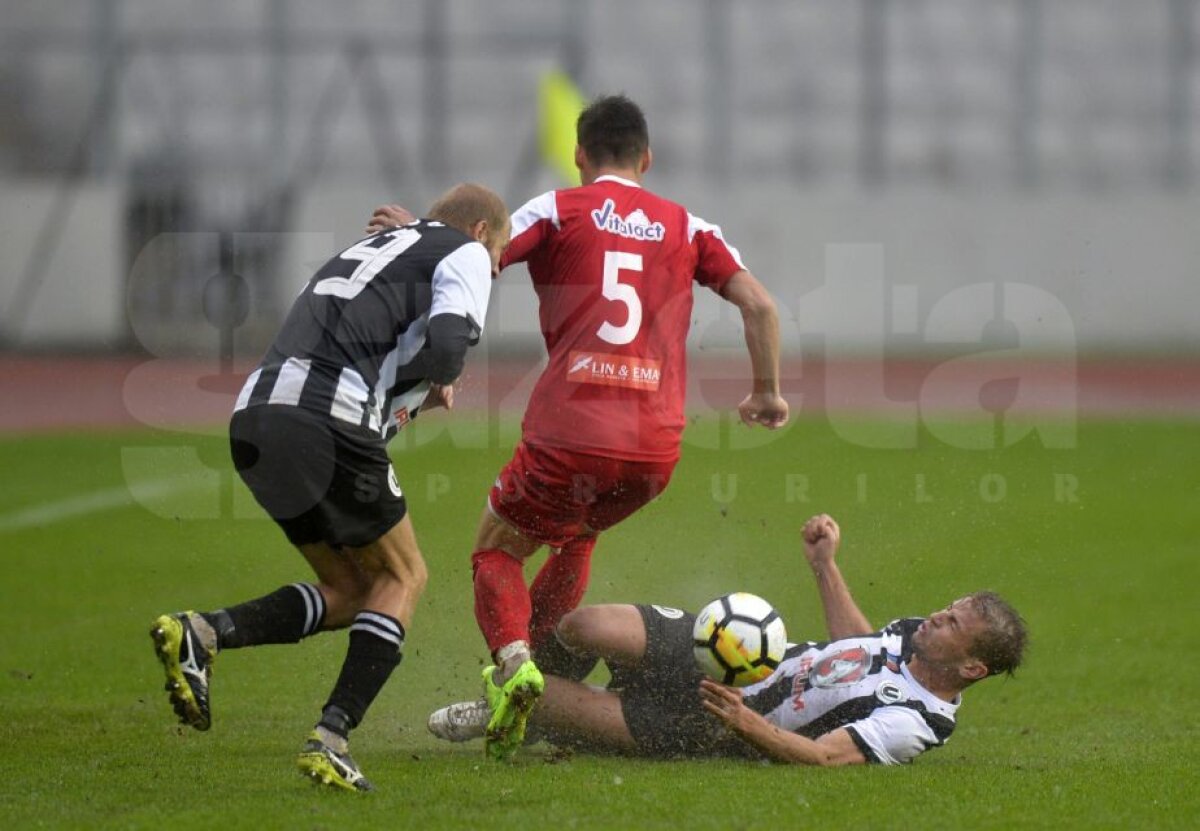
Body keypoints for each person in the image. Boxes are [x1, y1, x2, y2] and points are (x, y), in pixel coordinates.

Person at [368, 95, 789, 761]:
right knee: (576, 535)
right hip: (653, 451)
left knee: (496, 549)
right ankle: (539, 695)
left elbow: (474, 257)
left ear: (580, 156)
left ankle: (515, 672)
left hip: (571, 431)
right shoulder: (688, 226)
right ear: (647, 159)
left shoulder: (559, 209)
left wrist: (417, 232)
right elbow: (760, 305)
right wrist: (765, 391)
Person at [149, 183, 511, 792]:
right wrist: (441, 374)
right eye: (498, 258)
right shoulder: (467, 251)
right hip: (327, 413)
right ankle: (331, 737)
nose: (494, 272)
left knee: (351, 589)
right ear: (480, 232)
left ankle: (203, 631)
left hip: (256, 418)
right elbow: (449, 345)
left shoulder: (373, 248)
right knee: (405, 576)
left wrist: (417, 389)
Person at [428, 514, 1028, 766]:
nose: (936, 617)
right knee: (581, 626)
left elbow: (825, 758)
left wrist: (748, 726)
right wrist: (824, 565)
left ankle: (515, 711)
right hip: (732, 654)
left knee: (551, 702)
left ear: (972, 667)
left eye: (952, 623)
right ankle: (532, 699)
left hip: (710, 720)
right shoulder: (910, 641)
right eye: (947, 609)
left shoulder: (916, 721)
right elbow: (860, 645)